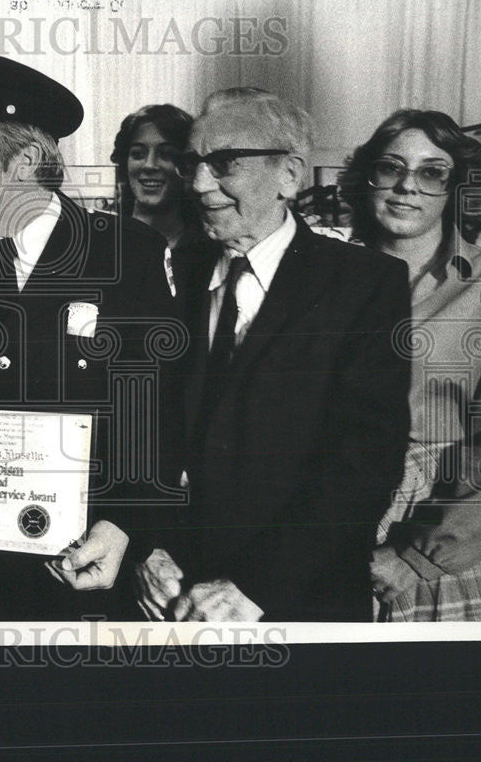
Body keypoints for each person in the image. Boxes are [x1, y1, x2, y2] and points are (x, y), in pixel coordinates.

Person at [0, 50, 181, 621]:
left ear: (24, 163)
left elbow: (159, 410)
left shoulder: (126, 254)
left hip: (77, 575)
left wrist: (124, 524)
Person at [135, 87, 412, 622]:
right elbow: (143, 426)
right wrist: (147, 547)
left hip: (292, 600)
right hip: (169, 593)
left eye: (224, 164)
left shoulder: (363, 284)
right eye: (193, 163)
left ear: (289, 174)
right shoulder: (173, 270)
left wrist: (253, 587)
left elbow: (366, 463)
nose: (197, 184)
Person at [341, 109, 481, 621]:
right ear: (367, 178)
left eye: (431, 172)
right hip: (334, 522)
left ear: (455, 186)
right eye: (391, 167)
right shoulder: (326, 278)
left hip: (446, 534)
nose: (406, 187)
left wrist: (415, 557)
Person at [110, 104, 203, 251]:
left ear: (188, 165)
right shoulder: (102, 239)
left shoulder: (210, 250)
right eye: (138, 154)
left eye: (166, 154)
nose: (149, 165)